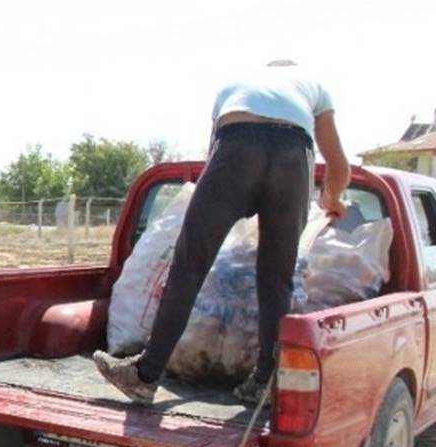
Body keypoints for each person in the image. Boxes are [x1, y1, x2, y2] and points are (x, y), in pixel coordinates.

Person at [94, 61, 349, 405]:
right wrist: (334, 198)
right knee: (277, 278)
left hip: (236, 146)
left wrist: (220, 199)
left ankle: (144, 376)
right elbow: (337, 161)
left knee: (189, 267)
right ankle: (266, 381)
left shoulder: (235, 85)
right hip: (293, 156)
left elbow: (213, 153)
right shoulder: (313, 86)